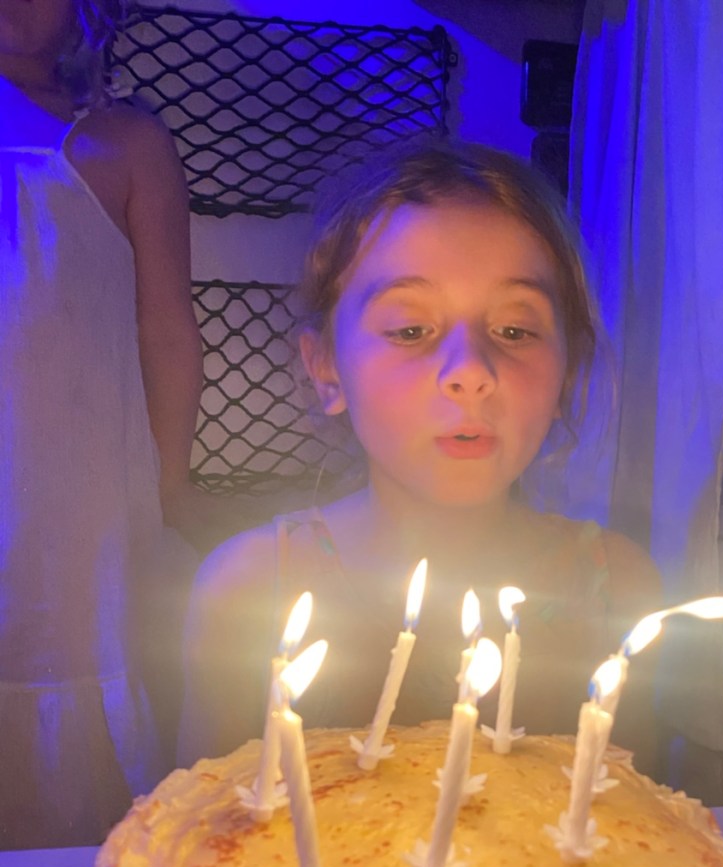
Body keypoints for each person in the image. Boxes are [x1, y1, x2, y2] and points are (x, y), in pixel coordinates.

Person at [178, 140, 662, 772]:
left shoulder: (619, 588)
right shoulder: (247, 590)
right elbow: (204, 816)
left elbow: (642, 814)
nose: (470, 371)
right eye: (411, 330)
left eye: (515, 330)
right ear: (326, 369)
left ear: (567, 371)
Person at [0, 0, 210, 846]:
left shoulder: (124, 144)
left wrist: (167, 485)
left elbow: (167, 332)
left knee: (66, 641)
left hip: (73, 488)